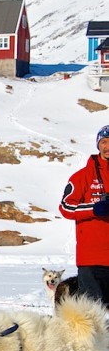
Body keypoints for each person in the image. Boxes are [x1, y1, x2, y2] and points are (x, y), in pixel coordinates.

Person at [59, 124, 109, 306]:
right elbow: (65, 207)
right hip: (92, 259)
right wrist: (94, 208)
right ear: (98, 145)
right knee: (94, 316)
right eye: (104, 142)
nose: (108, 146)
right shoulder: (82, 176)